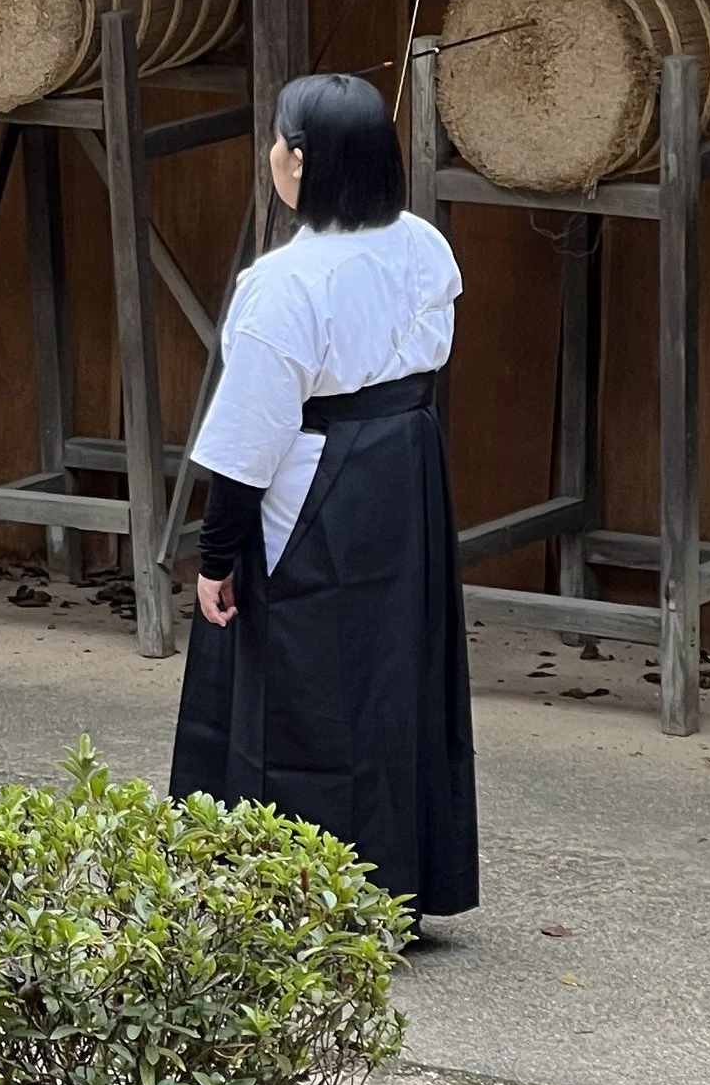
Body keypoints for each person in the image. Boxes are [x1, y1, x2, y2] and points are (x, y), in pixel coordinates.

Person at [169, 71, 479, 924]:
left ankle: (298, 902)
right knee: (392, 676)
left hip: (317, 479)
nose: (271, 153)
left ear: (300, 164)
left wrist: (217, 558)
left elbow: (245, 443)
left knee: (302, 680)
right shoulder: (424, 245)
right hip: (406, 469)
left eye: (278, 139)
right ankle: (398, 884)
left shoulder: (284, 282)